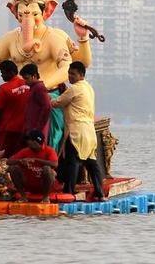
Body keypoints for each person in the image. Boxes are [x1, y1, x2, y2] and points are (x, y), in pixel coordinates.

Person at [51, 61, 105, 200]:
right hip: (89, 131)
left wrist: (47, 98)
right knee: (92, 164)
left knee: (73, 161)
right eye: (69, 73)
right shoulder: (89, 88)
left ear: (81, 75)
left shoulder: (74, 88)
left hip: (77, 130)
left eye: (73, 74)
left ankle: (69, 191)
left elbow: (58, 102)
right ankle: (99, 192)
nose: (70, 76)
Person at [0, 60, 30, 157]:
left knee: (6, 159)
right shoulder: (29, 85)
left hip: (8, 130)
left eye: (3, 73)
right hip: (25, 129)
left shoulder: (4, 88)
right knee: (22, 157)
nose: (1, 76)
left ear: (11, 72)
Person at [7, 130, 58, 203]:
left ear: (36, 141)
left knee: (47, 169)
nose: (27, 142)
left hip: (45, 185)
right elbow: (8, 161)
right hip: (29, 184)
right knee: (13, 168)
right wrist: (21, 161)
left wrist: (35, 160)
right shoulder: (25, 151)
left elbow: (55, 164)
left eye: (29, 140)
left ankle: (45, 197)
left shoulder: (49, 151)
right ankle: (23, 197)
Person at [20, 64, 51, 141]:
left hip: (37, 131)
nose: (25, 82)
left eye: (27, 78)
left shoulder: (39, 88)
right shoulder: (34, 88)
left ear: (34, 76)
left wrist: (38, 128)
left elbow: (47, 107)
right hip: (32, 129)